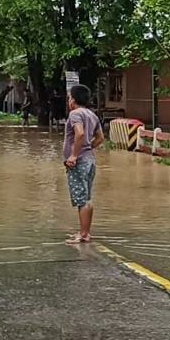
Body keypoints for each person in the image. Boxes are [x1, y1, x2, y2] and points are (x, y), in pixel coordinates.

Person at [64, 84, 105, 244]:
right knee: (87, 197)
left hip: (79, 161)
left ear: (73, 100)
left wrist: (74, 155)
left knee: (81, 199)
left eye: (69, 98)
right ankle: (85, 231)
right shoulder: (92, 115)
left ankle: (83, 235)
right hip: (89, 160)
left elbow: (80, 133)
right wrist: (88, 148)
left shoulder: (75, 114)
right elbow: (100, 138)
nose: (69, 101)